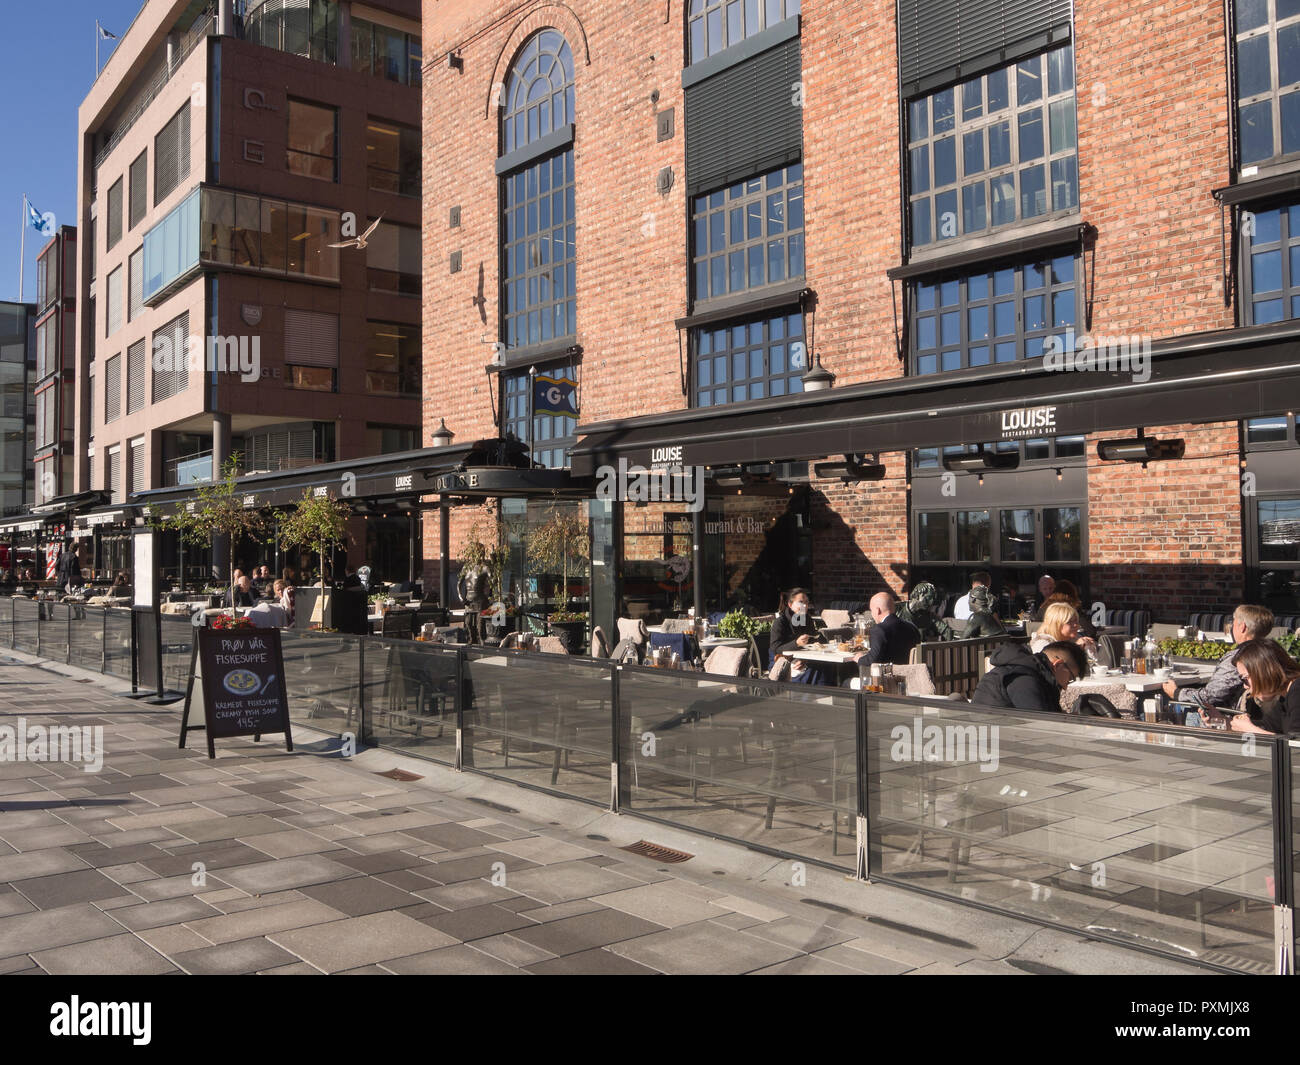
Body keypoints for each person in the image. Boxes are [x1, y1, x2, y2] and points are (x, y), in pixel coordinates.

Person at [1163, 604, 1275, 711]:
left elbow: (1211, 696)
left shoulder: (1240, 658)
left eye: (1234, 623)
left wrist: (1177, 693)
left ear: (1242, 627)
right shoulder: (1271, 652)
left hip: (1228, 718)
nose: (1231, 627)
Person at [973, 639, 1087, 713]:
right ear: (1058, 665)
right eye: (1070, 678)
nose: (1066, 686)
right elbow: (1042, 725)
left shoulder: (1035, 675)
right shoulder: (1024, 679)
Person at [1229, 638, 1300, 737]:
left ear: (1263, 672)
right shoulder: (1284, 695)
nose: (1245, 686)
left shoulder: (1297, 692)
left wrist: (1251, 730)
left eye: (1245, 678)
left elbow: (1296, 745)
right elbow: (1269, 726)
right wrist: (1226, 722)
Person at [851, 591, 920, 679]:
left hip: (884, 683)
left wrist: (859, 659)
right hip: (908, 680)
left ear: (877, 610)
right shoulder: (912, 627)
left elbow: (873, 659)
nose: (872, 614)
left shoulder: (879, 630)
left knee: (846, 683)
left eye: (871, 610)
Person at [769, 587, 827, 685]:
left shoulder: (806, 619)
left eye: (807, 602)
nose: (805, 605)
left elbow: (813, 639)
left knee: (826, 666)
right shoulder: (780, 622)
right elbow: (775, 648)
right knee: (818, 670)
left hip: (804, 659)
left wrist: (820, 639)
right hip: (782, 660)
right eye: (801, 602)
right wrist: (796, 643)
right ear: (790, 604)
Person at [1030, 602, 1097, 660]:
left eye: (1076, 621)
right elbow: (1055, 667)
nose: (1076, 625)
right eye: (1069, 622)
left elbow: (1092, 663)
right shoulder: (1043, 643)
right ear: (1056, 624)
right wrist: (1075, 648)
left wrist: (1088, 647)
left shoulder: (1074, 638)